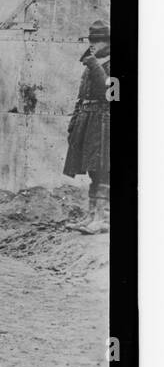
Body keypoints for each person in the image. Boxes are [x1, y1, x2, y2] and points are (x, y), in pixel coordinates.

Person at [63, 19, 112, 234]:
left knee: (103, 171)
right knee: (93, 171)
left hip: (104, 122)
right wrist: (74, 122)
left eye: (98, 41)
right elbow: (81, 96)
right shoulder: (90, 62)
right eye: (91, 40)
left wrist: (94, 65)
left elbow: (113, 94)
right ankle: (91, 215)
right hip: (87, 120)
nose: (93, 44)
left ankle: (103, 218)